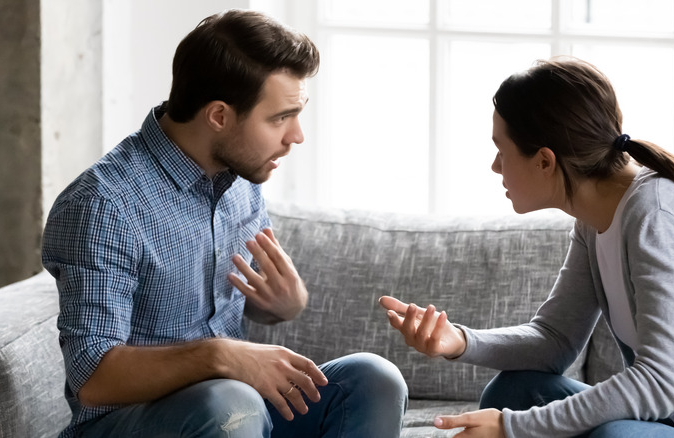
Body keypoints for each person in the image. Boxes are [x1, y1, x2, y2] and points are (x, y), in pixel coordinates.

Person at [42, 9, 406, 438]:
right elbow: (93, 380)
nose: (296, 136)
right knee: (231, 403)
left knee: (373, 378)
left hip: (238, 415)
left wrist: (283, 305)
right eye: (279, 118)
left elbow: (212, 303)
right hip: (136, 422)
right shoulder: (103, 205)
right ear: (219, 116)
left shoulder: (240, 176)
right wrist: (221, 356)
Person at [379, 57, 674, 437]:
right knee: (513, 393)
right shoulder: (594, 218)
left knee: (615, 435)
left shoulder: (656, 216)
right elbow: (554, 341)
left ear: (544, 161)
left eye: (502, 150)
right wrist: (460, 341)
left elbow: (662, 383)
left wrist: (512, 429)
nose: (495, 166)